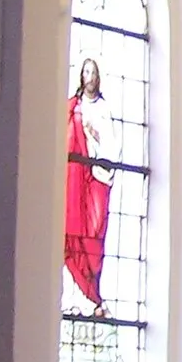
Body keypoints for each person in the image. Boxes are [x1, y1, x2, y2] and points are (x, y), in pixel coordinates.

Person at [64, 58, 113, 315]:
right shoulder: (73, 107)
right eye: (86, 72)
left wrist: (95, 137)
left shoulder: (103, 109)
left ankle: (92, 297)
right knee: (72, 235)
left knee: (92, 234)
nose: (89, 76)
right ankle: (74, 297)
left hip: (94, 177)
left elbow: (112, 146)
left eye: (93, 72)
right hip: (74, 178)